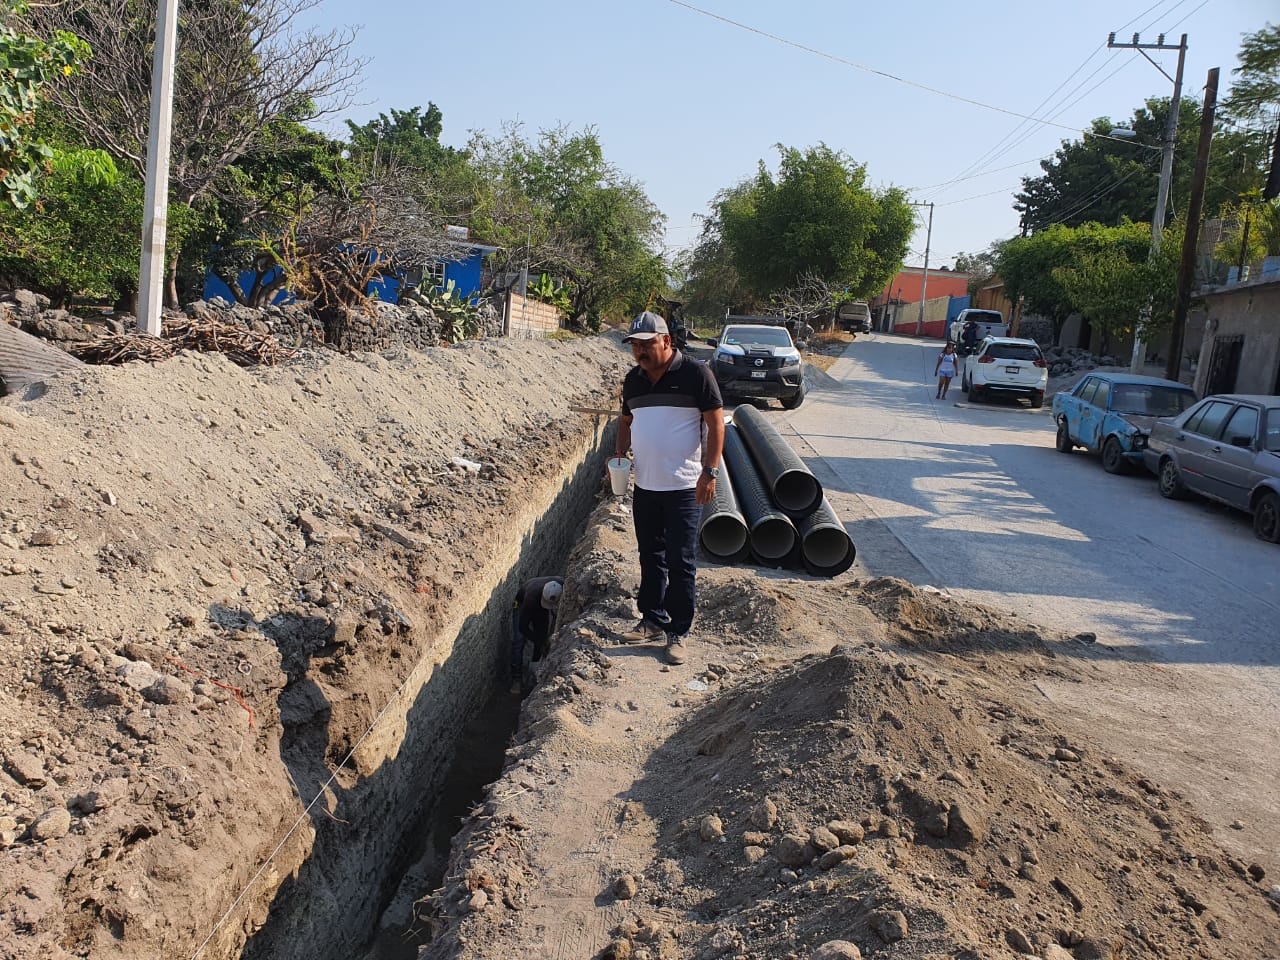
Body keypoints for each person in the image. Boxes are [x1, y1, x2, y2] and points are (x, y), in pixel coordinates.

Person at [616, 311, 724, 665]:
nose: (640, 352)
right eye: (635, 346)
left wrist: (709, 472)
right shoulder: (633, 380)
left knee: (681, 561)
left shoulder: (696, 374)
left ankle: (678, 631)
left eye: (647, 344)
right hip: (646, 485)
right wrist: (619, 454)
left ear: (666, 341)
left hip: (684, 488)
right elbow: (627, 420)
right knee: (650, 555)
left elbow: (716, 423)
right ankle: (652, 619)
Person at [509, 576, 562, 694]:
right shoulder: (531, 598)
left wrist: (544, 640)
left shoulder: (561, 583)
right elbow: (522, 627)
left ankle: (533, 676)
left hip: (541, 608)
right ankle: (516, 679)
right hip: (521, 605)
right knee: (519, 641)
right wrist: (538, 641)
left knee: (542, 636)